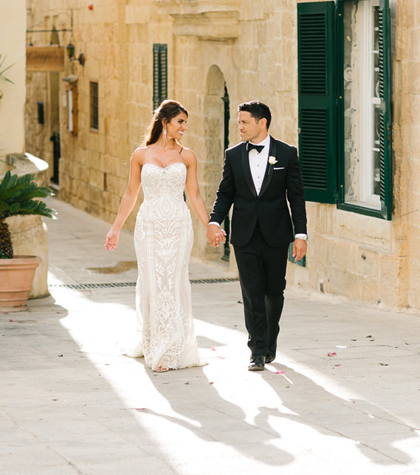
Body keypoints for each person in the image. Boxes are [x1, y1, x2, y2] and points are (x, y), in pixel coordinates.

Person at [105, 100, 208, 372]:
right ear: (165, 122)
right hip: (149, 226)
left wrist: (210, 225)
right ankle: (152, 343)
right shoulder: (140, 155)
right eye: (180, 122)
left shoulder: (188, 156)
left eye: (186, 122)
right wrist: (115, 228)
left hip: (178, 224)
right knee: (152, 282)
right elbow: (130, 194)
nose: (185, 127)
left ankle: (171, 348)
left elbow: (194, 195)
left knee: (173, 282)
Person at [207, 101, 307, 371]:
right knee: (252, 293)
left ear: (262, 123)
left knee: (274, 292)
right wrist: (214, 221)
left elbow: (296, 197)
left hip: (277, 235)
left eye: (244, 122)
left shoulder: (287, 153)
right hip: (244, 235)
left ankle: (269, 341)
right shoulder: (234, 154)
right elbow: (225, 192)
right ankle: (257, 349)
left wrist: (301, 235)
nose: (239, 127)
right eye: (238, 122)